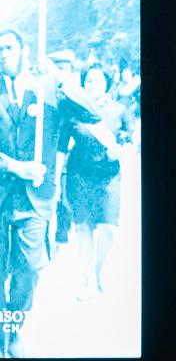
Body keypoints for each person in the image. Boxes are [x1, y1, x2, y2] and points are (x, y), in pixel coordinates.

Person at [0, 33, 101, 356]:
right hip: (4, 190)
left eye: (9, 48)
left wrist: (60, 78)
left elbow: (92, 112)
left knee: (28, 269)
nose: (3, 54)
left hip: (36, 198)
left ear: (24, 51)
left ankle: (13, 328)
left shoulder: (49, 90)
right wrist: (16, 167)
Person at [63, 65, 129, 298]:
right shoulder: (74, 113)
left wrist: (119, 150)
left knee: (108, 228)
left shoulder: (119, 109)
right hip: (79, 175)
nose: (92, 85)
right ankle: (86, 279)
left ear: (106, 83)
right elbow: (63, 144)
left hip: (109, 174)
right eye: (88, 81)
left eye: (97, 81)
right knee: (83, 227)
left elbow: (129, 138)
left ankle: (99, 271)